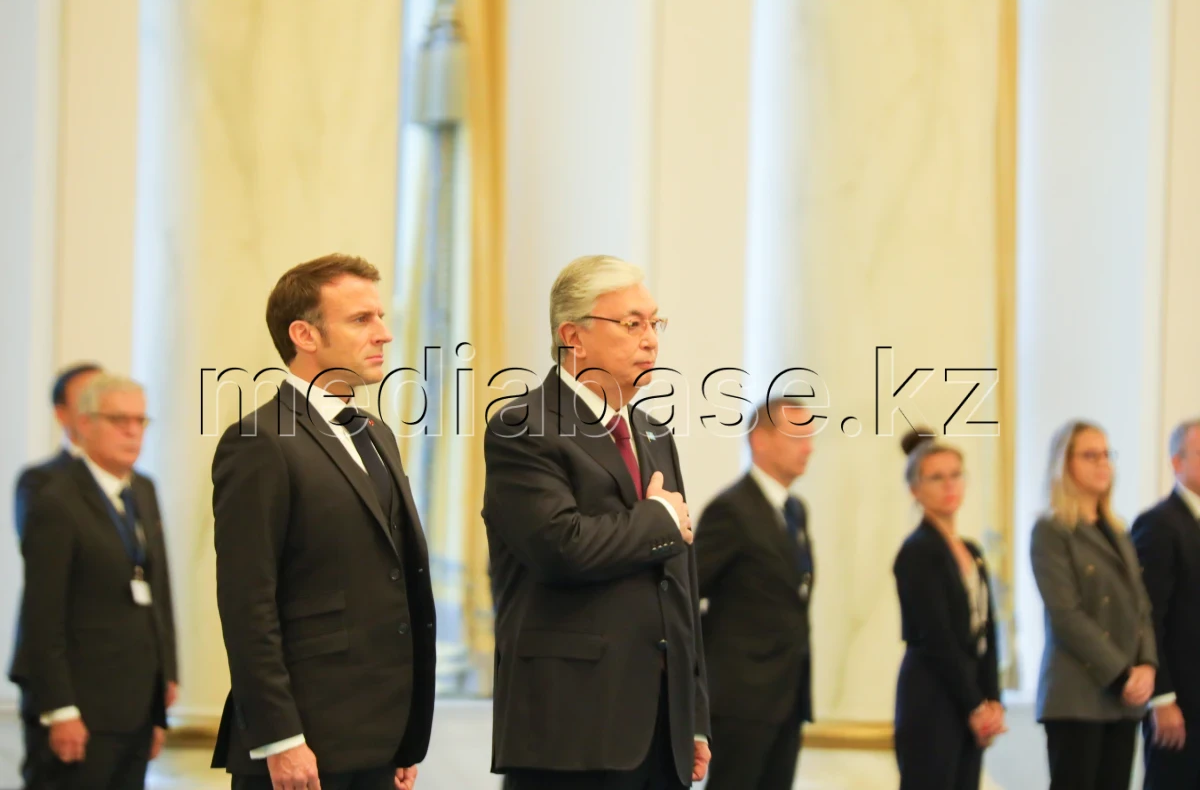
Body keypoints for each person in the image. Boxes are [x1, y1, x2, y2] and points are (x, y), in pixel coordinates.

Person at [483, 255, 710, 790]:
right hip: (573, 727)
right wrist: (656, 518)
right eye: (632, 324)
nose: (651, 339)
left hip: (661, 727)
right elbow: (562, 548)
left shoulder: (654, 434)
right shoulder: (525, 427)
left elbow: (680, 582)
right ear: (573, 337)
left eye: (656, 323)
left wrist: (693, 713)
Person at [211, 254, 435, 790]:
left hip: (376, 739)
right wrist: (280, 739)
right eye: (361, 319)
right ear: (304, 335)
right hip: (301, 743)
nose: (383, 334)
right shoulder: (260, 440)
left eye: (381, 317)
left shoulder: (376, 434)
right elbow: (248, 603)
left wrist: (402, 737)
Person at [10, 373, 178, 789]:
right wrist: (61, 709)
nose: (132, 431)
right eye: (119, 419)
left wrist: (164, 682)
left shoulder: (143, 489)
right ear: (83, 424)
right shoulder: (56, 499)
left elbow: (159, 590)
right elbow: (42, 615)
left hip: (136, 703)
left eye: (140, 421)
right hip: (82, 705)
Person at [694, 398, 816, 790]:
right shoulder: (730, 510)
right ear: (760, 441)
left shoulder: (795, 510)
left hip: (788, 693)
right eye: (798, 434)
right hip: (742, 697)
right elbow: (687, 590)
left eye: (811, 435)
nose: (809, 446)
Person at [1032, 419, 1157, 790]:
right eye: (1091, 455)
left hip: (1124, 699)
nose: (1103, 463)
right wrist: (1122, 673)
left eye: (1107, 454)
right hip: (1077, 695)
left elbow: (1141, 608)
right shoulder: (1051, 531)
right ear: (1064, 463)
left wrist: (1147, 665)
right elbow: (1066, 614)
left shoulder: (1118, 530)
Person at [892, 428, 1004, 790]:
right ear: (915, 489)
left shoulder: (972, 551)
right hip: (932, 697)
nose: (949, 485)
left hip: (968, 697)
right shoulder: (917, 551)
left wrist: (993, 701)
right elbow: (936, 637)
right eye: (936, 477)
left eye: (955, 474)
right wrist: (975, 706)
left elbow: (988, 629)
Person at [1131, 418, 1200, 789]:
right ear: (1177, 462)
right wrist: (1162, 698)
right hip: (1182, 705)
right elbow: (1147, 617)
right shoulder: (1159, 524)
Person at [13, 362, 102, 540]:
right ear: (62, 414)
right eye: (88, 399)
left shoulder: (140, 484)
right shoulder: (40, 481)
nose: (101, 408)